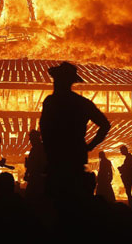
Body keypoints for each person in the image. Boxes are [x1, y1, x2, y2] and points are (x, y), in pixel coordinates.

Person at [40, 62, 111, 199]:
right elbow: (105, 125)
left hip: (56, 161)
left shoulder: (50, 102)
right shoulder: (82, 103)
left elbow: (44, 128)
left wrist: (47, 148)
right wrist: (89, 146)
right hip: (75, 158)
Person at [23, 129, 46, 201]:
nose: (30, 141)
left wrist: (27, 171)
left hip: (36, 178)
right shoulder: (40, 148)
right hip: (37, 178)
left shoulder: (37, 149)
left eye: (31, 139)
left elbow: (35, 164)